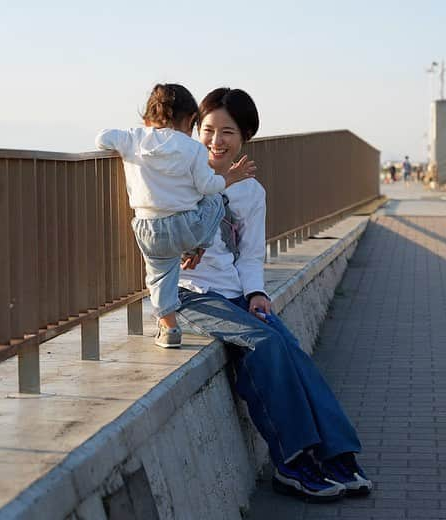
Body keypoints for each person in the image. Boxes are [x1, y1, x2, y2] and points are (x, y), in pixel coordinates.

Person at [176, 87, 373, 502]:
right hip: (192, 292)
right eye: (207, 129)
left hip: (234, 292)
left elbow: (249, 255)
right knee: (264, 345)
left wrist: (257, 293)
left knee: (289, 346)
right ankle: (292, 461)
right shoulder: (181, 178)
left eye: (227, 132)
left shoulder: (252, 192)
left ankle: (334, 453)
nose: (216, 140)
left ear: (245, 136)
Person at [96, 84, 255, 348]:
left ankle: (169, 328)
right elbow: (208, 187)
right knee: (215, 201)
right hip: (187, 226)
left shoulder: (133, 138)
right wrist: (228, 178)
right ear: (192, 120)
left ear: (147, 119)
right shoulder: (193, 149)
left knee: (159, 276)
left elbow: (101, 138)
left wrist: (132, 138)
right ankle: (197, 248)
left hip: (149, 227)